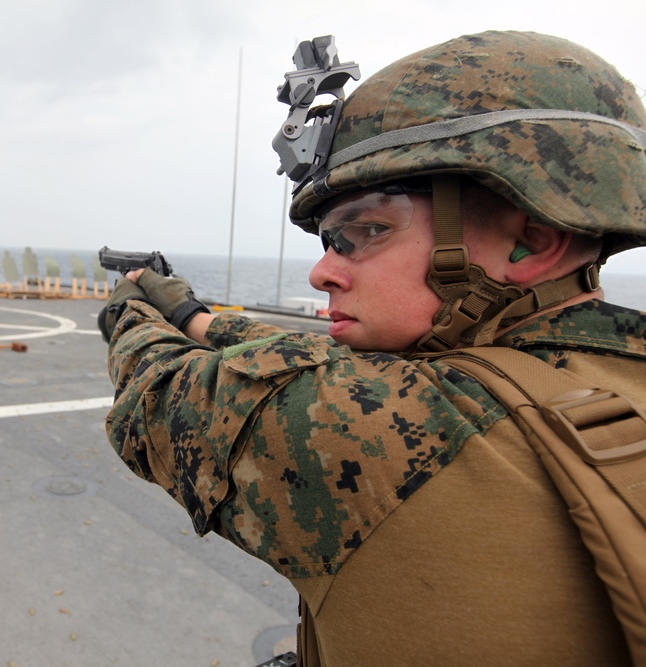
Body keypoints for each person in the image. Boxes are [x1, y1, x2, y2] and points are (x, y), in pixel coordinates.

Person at [99, 30, 646, 666]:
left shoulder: (375, 426)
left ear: (531, 237)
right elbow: (317, 360)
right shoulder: (592, 367)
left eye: (365, 231)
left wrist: (131, 311)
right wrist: (189, 311)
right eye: (328, 240)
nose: (322, 273)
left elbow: (156, 397)